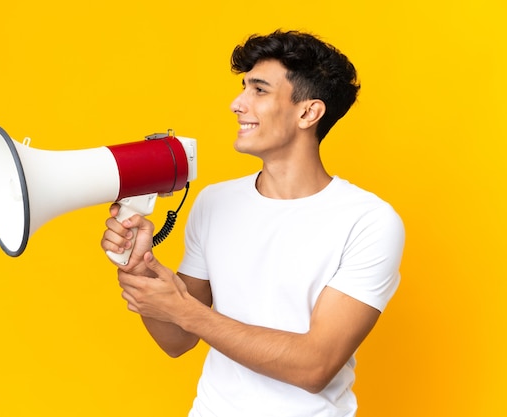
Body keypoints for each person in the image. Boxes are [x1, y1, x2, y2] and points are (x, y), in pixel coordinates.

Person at [101, 30, 405, 417]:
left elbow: (315, 366)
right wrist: (137, 263)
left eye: (259, 90)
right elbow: (177, 340)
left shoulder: (369, 222)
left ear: (308, 113)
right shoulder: (215, 202)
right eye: (243, 88)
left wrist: (185, 311)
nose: (236, 104)